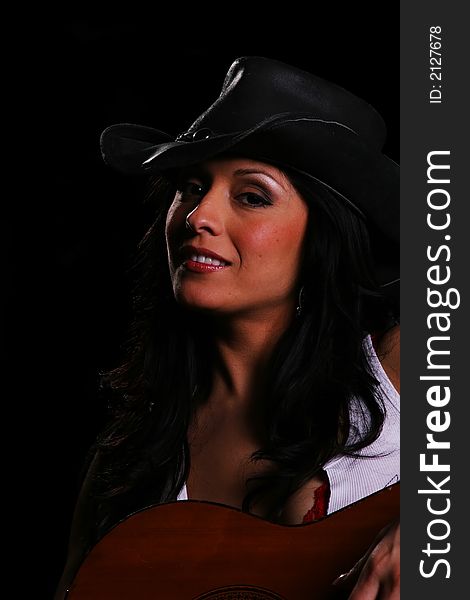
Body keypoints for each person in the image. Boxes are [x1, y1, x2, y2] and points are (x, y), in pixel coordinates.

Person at [55, 56, 400, 599]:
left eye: (251, 196)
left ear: (322, 241)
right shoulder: (129, 456)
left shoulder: (402, 365)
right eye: (190, 187)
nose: (198, 216)